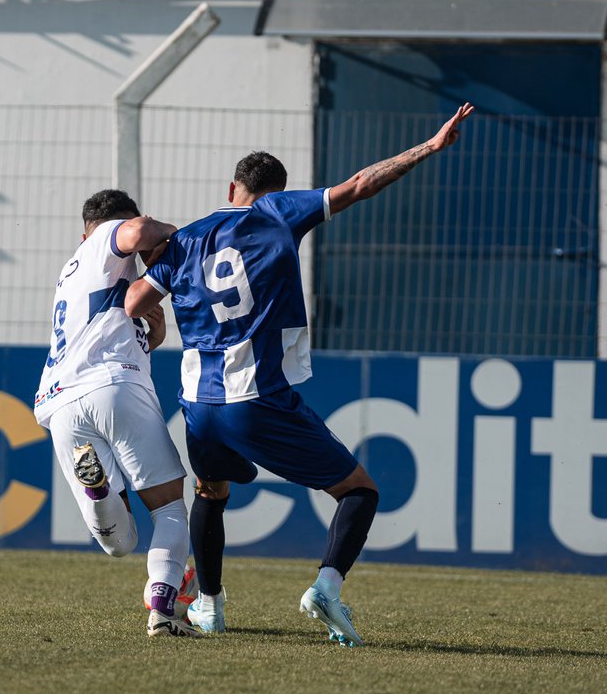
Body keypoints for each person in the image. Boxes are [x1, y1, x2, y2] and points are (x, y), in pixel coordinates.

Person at [125, 104, 474, 645]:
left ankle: (211, 608)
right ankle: (327, 589)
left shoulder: (187, 239)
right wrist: (427, 148)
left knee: (210, 493)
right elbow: (359, 185)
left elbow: (134, 302)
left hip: (197, 405)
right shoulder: (277, 213)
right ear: (275, 192)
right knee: (360, 491)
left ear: (231, 186)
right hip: (255, 396)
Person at [34, 188, 199, 639]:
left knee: (119, 543)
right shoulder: (111, 234)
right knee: (168, 510)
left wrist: (152, 336)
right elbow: (140, 230)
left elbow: (111, 329)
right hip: (114, 385)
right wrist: (173, 233)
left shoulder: (70, 275)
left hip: (64, 401)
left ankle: (102, 491)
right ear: (104, 225)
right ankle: (163, 609)